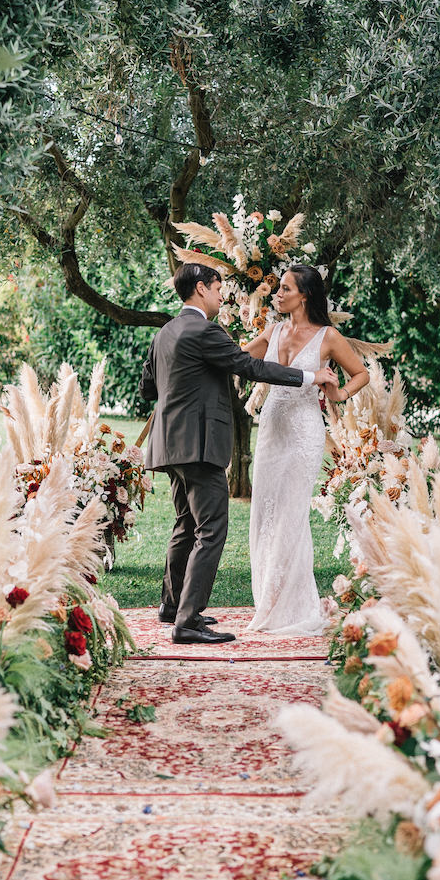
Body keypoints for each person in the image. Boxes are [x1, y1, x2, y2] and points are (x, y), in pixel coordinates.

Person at [141, 262, 338, 644]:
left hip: (168, 444)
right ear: (200, 289)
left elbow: (149, 388)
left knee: (185, 524)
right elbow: (249, 366)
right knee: (211, 529)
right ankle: (188, 620)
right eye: (217, 289)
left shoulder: (165, 332)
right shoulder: (205, 331)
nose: (220, 296)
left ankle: (171, 606)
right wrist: (312, 376)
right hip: (199, 443)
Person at [244, 265, 369, 635]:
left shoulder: (328, 337)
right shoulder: (274, 330)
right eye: (278, 289)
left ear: (305, 295)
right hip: (270, 429)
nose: (276, 295)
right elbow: (234, 357)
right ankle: (268, 598)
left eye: (284, 289)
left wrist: (340, 393)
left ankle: (285, 605)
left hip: (303, 434)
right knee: (264, 514)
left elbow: (360, 373)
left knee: (291, 514)